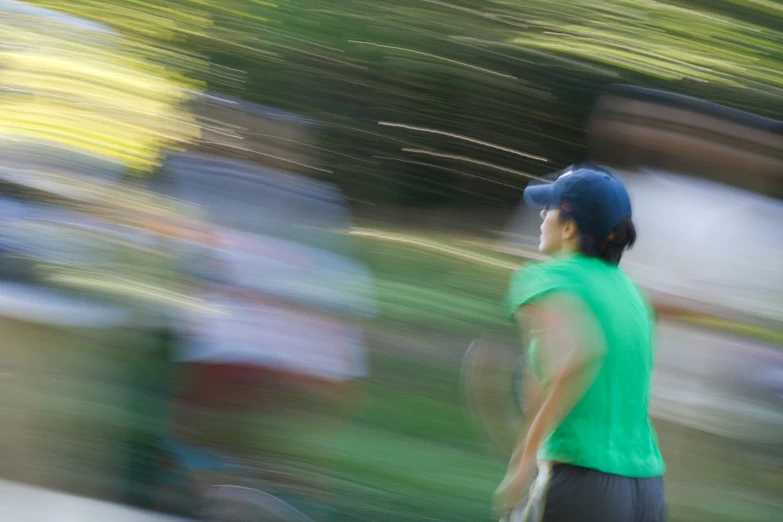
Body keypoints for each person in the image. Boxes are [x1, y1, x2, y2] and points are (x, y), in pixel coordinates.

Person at [495, 164, 666, 522]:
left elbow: (579, 354)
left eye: (549, 209)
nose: (542, 215)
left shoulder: (544, 278)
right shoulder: (632, 293)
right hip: (646, 489)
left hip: (580, 483)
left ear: (569, 227)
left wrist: (523, 460)